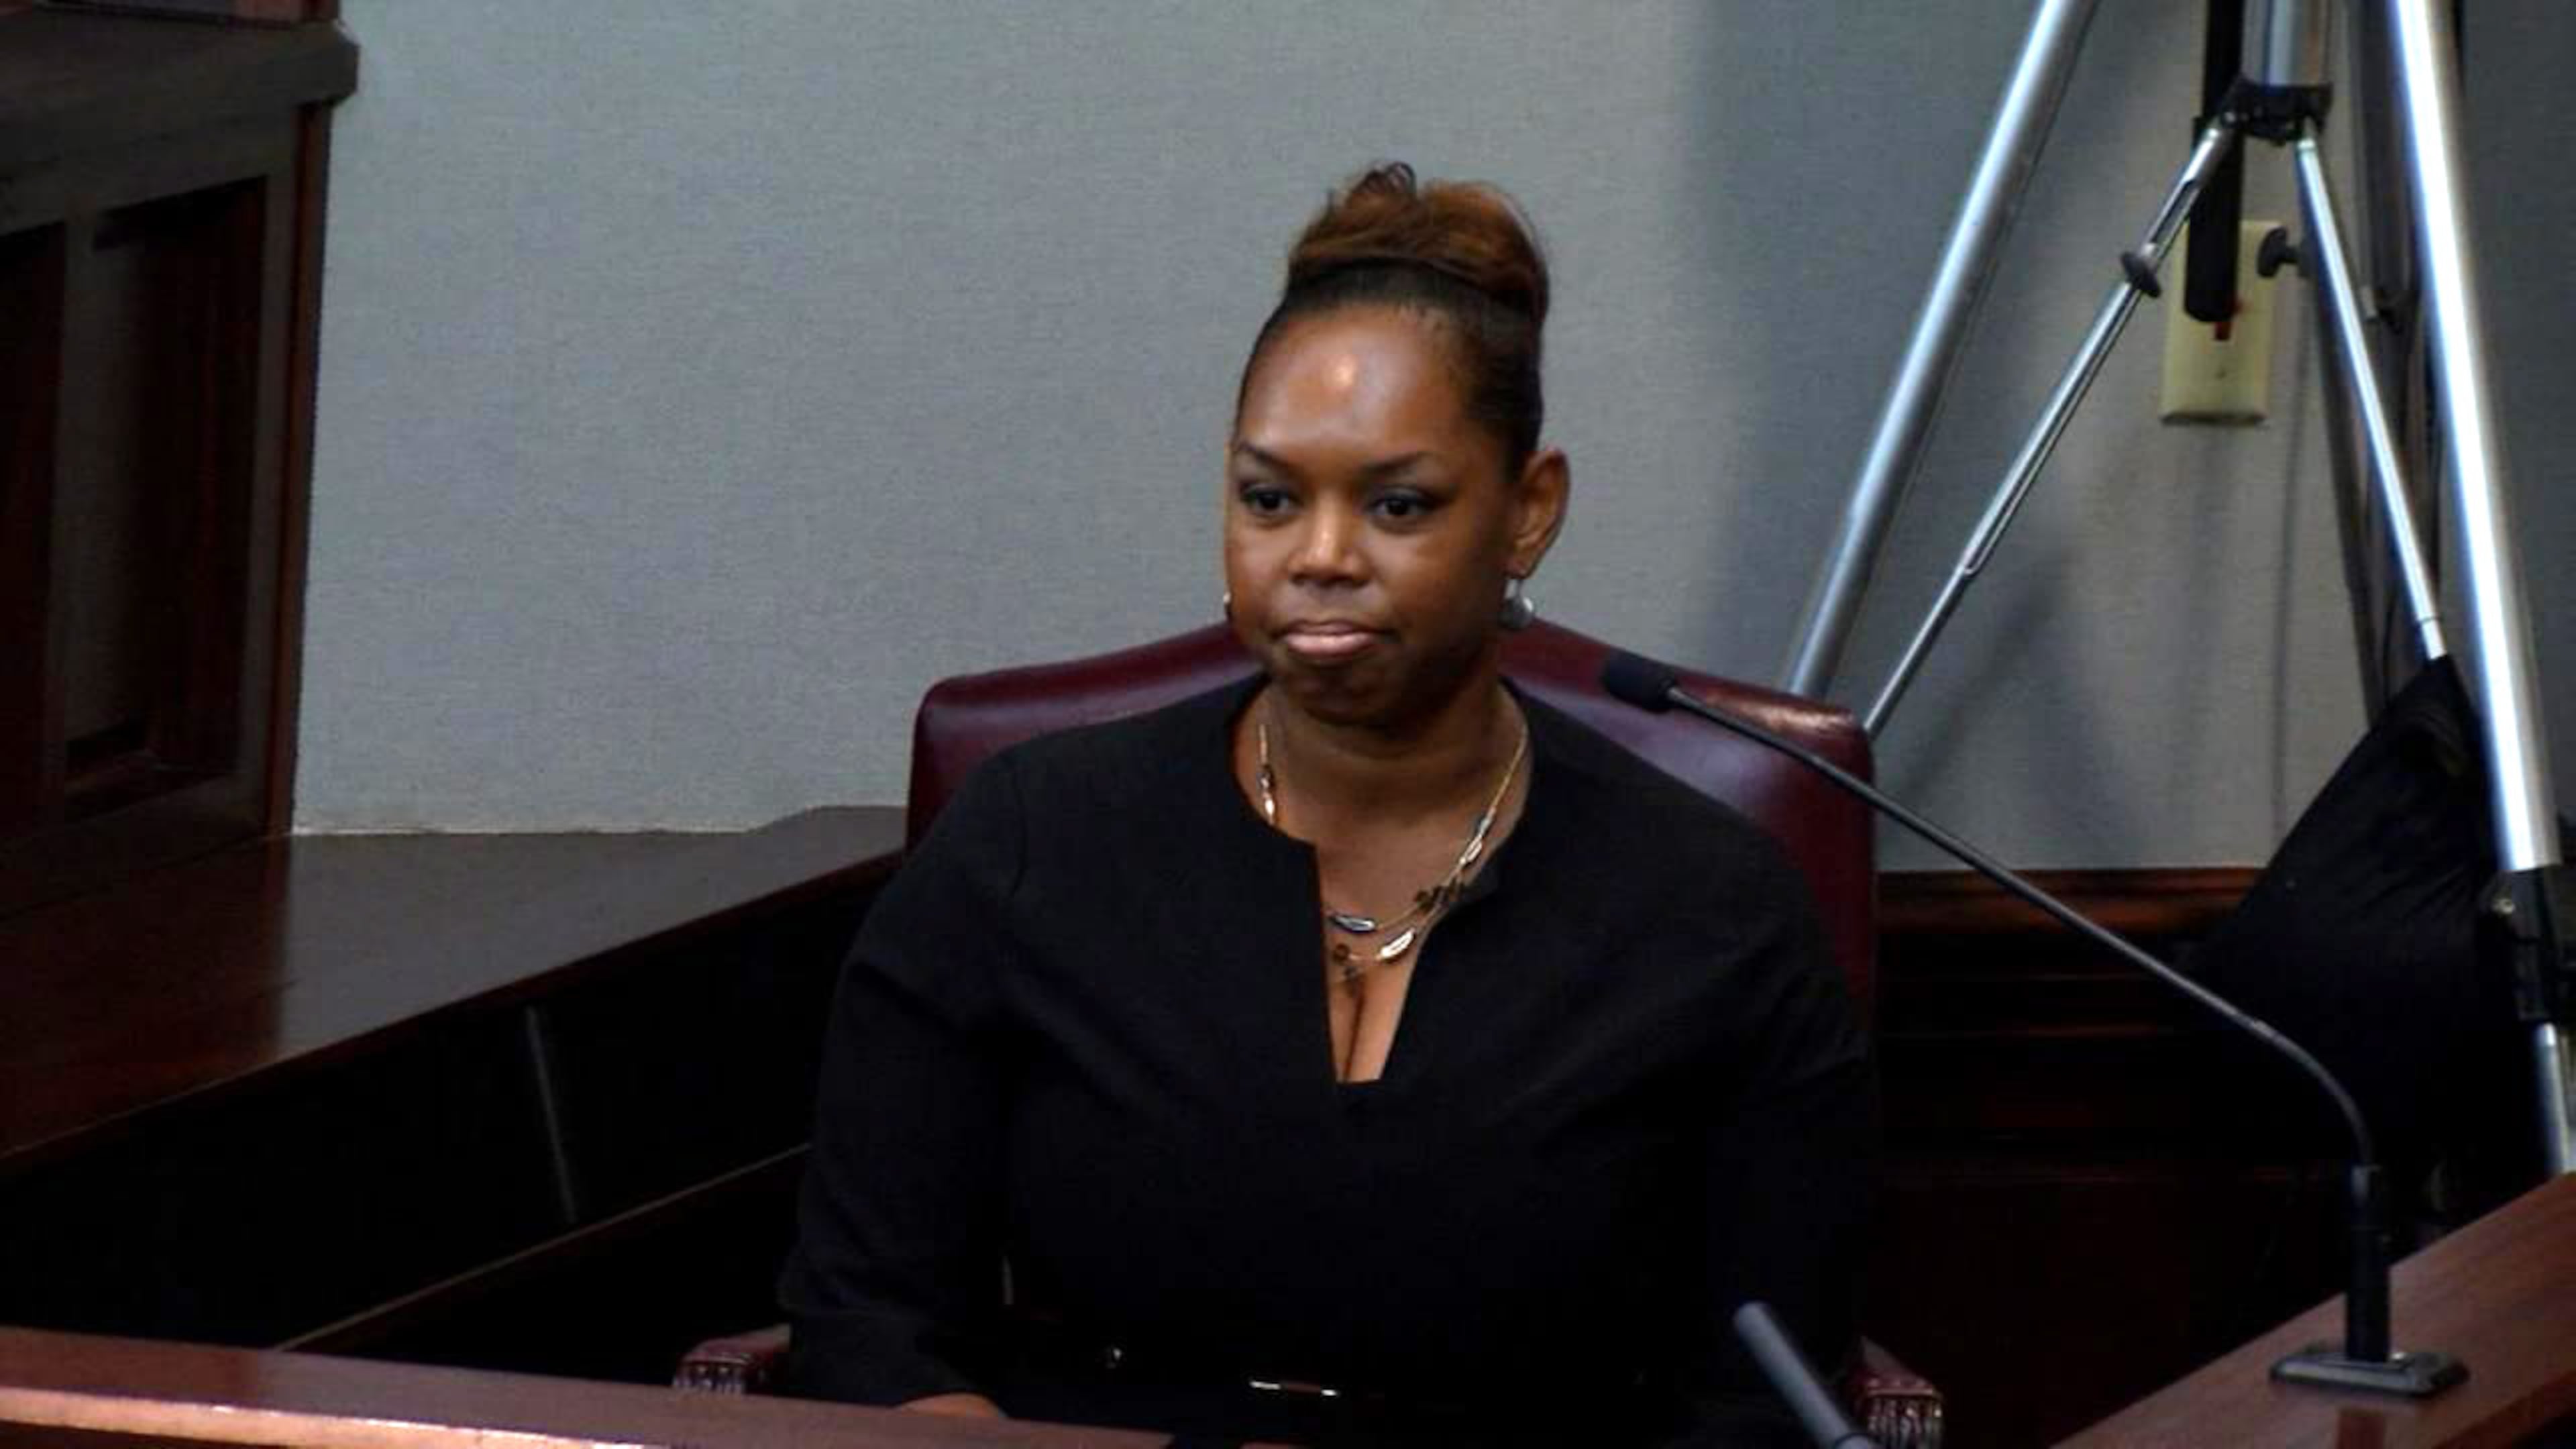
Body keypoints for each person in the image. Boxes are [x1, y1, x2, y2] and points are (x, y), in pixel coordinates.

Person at [778, 163, 1875, 1447]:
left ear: (1530, 512)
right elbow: (867, 1323)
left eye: (1397, 504)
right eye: (1270, 498)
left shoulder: (1712, 913)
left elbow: (1763, 1406)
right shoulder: (1033, 843)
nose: (1321, 557)